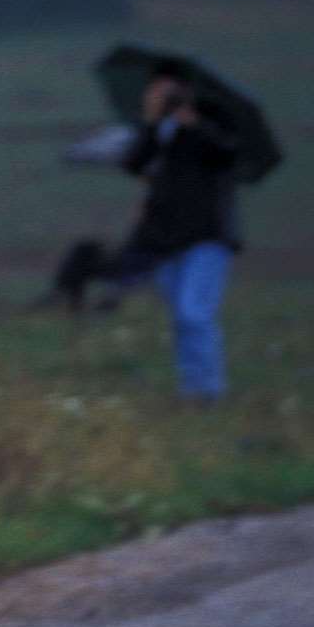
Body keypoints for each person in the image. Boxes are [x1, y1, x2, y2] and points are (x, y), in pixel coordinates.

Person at [114, 67, 243, 402]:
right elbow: (132, 163)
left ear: (186, 89)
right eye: (156, 88)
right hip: (166, 239)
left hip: (208, 236)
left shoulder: (211, 121)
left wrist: (195, 124)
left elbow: (228, 154)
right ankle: (192, 389)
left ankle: (209, 391)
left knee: (194, 312)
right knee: (180, 318)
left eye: (167, 88)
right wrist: (152, 122)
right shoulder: (160, 130)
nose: (162, 94)